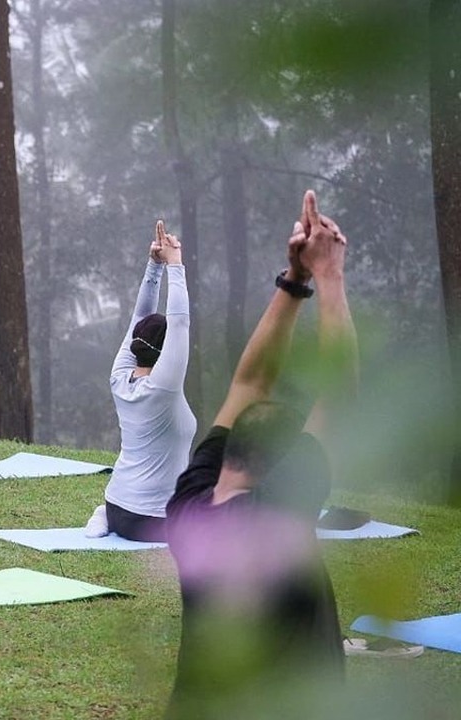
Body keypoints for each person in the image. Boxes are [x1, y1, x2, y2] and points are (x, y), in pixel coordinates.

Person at [164, 191, 356, 718]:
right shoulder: (276, 516)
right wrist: (330, 275)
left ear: (230, 452)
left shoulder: (187, 508)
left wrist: (294, 282)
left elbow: (249, 384)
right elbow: (337, 392)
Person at [85, 221, 194, 542]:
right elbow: (180, 323)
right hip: (153, 520)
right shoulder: (164, 386)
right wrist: (175, 264)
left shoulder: (120, 376)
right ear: (165, 352)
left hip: (118, 506)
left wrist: (154, 265)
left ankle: (103, 514)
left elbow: (139, 320)